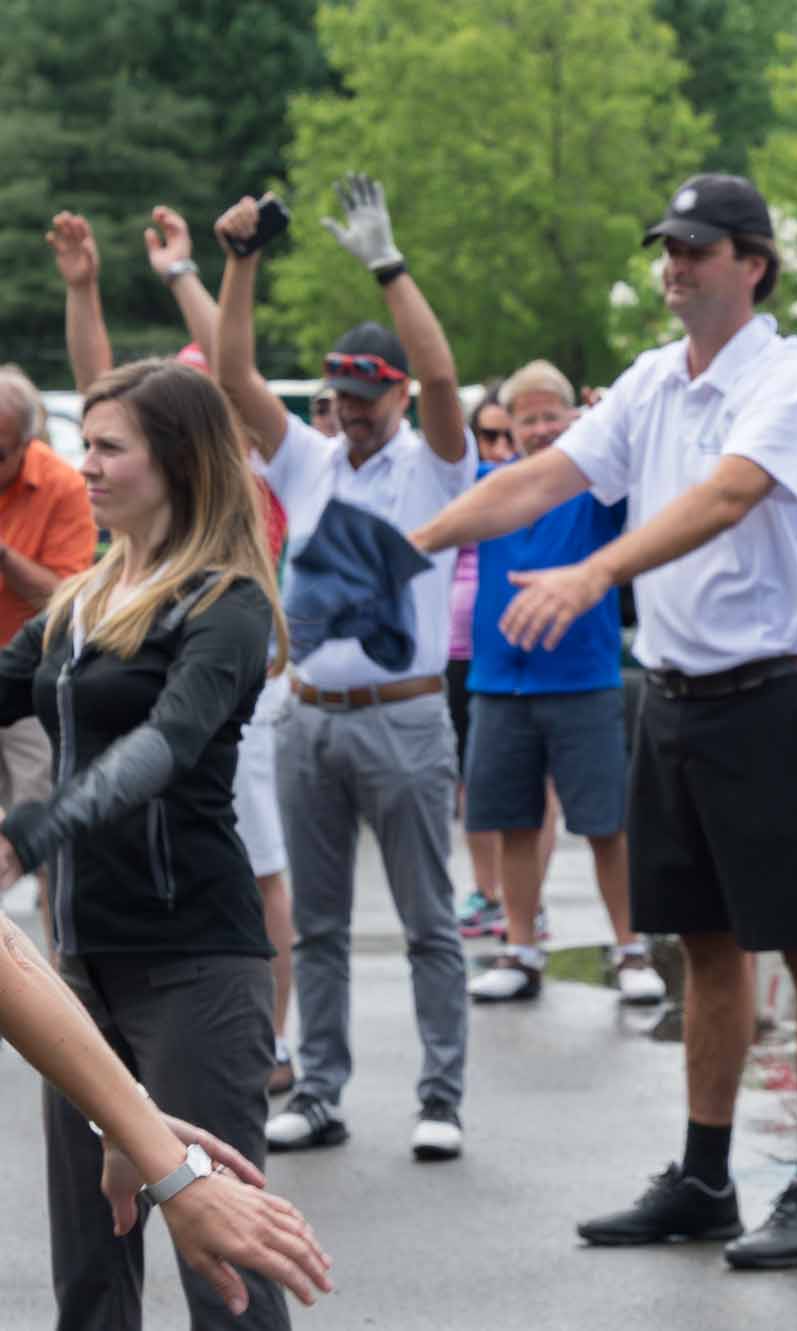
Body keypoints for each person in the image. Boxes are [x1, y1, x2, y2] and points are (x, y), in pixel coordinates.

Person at [409, 173, 797, 1268]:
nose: (675, 264)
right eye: (668, 244)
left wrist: (593, 571)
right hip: (675, 695)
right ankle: (705, 1177)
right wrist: (404, 548)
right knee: (701, 945)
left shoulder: (785, 375)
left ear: (751, 263)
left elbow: (726, 495)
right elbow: (537, 479)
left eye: (699, 248)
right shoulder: (656, 379)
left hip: (774, 693)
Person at [0, 356, 333, 1329]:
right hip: (80, 964)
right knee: (90, 1266)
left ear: (177, 462)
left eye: (110, 447)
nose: (87, 466)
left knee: (222, 1268)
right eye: (83, 444)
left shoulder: (225, 602)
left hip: (195, 960)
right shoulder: (79, 599)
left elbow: (165, 744)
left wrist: (31, 832)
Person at [212, 176, 476, 1162]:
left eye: (369, 398)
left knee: (427, 923)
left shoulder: (434, 460)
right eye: (342, 399)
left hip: (404, 715)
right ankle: (318, 1087)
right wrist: (241, 264)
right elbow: (236, 377)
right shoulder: (312, 459)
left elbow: (447, 384)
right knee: (318, 926)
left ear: (394, 394)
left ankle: (440, 1094)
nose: (353, 414)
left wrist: (389, 267)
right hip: (311, 710)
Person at [47, 204, 305, 1096]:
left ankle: (272, 1029)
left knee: (263, 859)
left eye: (109, 449)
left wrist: (206, 270)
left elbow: (227, 369)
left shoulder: (239, 545)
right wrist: (83, 289)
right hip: (90, 937)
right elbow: (102, 391)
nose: (91, 464)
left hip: (231, 693)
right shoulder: (98, 582)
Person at [0, 903, 333, 1317]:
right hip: (84, 951)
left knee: (230, 1279)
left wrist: (165, 1160)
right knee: (90, 1281)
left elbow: (10, 952)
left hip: (196, 944)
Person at [460, 358, 659, 1006]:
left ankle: (631, 947)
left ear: (573, 417)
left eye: (553, 414)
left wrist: (612, 421)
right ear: (508, 427)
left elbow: (643, 475)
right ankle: (520, 947)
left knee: (606, 823)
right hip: (499, 682)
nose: (542, 429)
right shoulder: (490, 483)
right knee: (514, 822)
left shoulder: (596, 488)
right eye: (528, 418)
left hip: (582, 678)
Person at [0, 365, 97, 941]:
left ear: (26, 443)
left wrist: (5, 558)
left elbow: (70, 597)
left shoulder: (62, 485)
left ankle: (64, 975)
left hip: (29, 684)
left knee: (39, 835)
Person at [452, 389, 525, 941]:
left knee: (528, 789)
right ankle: (486, 890)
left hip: (515, 653)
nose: (499, 447)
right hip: (454, 655)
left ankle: (530, 897)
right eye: (488, 436)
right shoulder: (460, 485)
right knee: (470, 779)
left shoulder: (539, 486)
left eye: (508, 435)